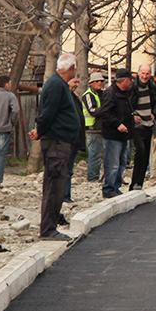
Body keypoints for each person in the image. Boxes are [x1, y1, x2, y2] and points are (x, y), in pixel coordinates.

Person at [29, 54, 81, 240]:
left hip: (61, 142)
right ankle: (48, 229)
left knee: (57, 184)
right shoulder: (55, 85)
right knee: (54, 185)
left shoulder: (59, 85)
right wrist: (40, 131)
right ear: (72, 68)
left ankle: (50, 227)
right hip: (56, 143)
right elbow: (47, 113)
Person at [97, 69, 135, 198]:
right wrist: (117, 124)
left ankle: (116, 186)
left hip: (124, 134)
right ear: (124, 80)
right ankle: (108, 189)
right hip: (112, 134)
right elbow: (105, 113)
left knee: (122, 162)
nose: (131, 83)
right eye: (130, 80)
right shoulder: (110, 93)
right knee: (112, 163)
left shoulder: (125, 93)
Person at [127, 64, 156, 191]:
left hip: (149, 124)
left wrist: (154, 113)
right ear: (138, 73)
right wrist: (133, 114)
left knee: (145, 154)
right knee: (140, 151)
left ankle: (139, 184)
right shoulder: (132, 87)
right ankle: (133, 183)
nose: (145, 76)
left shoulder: (152, 87)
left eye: (147, 74)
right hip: (137, 124)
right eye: (143, 73)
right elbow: (128, 103)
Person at [63, 75, 86, 204]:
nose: (76, 84)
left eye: (78, 81)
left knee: (69, 169)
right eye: (74, 82)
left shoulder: (74, 97)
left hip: (74, 139)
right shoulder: (65, 96)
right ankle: (64, 195)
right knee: (66, 169)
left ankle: (66, 194)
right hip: (67, 139)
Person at [82, 71, 106, 182]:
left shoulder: (102, 94)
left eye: (101, 81)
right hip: (92, 128)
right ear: (91, 83)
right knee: (94, 154)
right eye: (97, 81)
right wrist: (106, 109)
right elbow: (92, 111)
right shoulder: (88, 95)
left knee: (103, 154)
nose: (100, 83)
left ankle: (102, 177)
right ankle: (92, 178)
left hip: (102, 128)